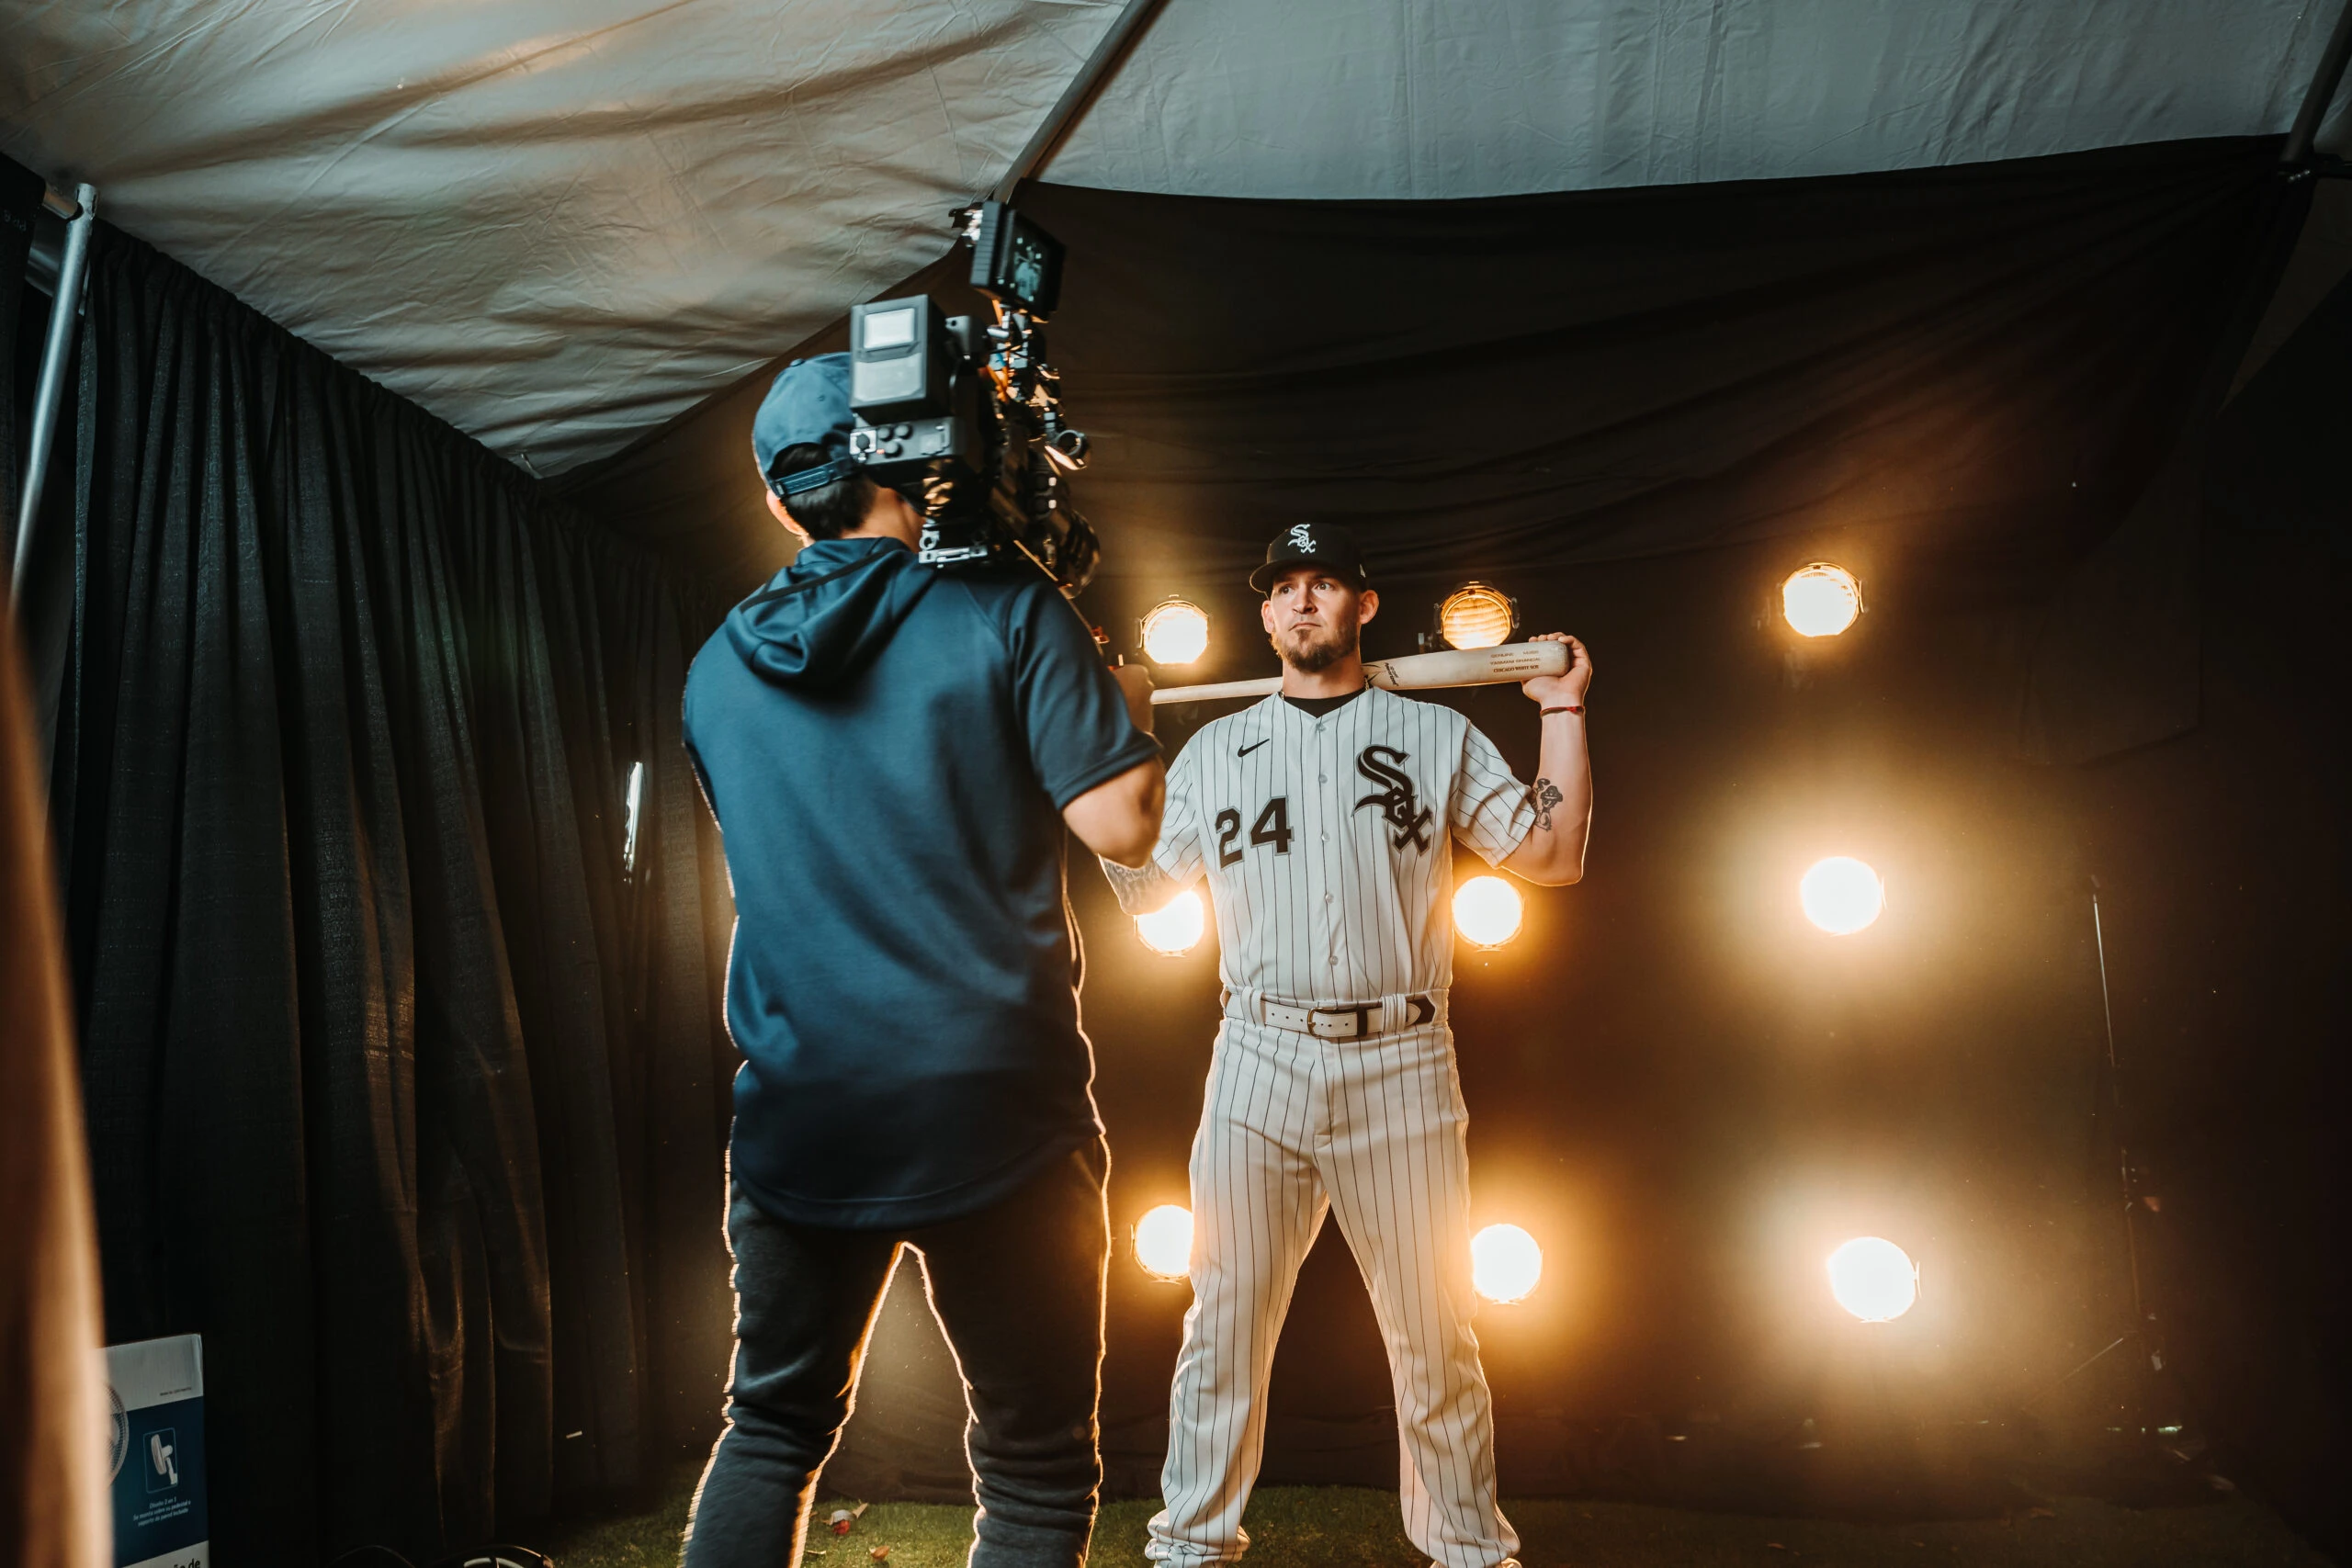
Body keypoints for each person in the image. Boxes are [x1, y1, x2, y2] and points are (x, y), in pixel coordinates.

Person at [681, 353, 1166, 1568]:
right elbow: (1125, 824)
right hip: (992, 1106)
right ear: (914, 457)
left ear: (786, 500)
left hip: (802, 1105)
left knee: (773, 1425)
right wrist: (1125, 702)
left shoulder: (713, 666)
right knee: (1036, 1466)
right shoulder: (1008, 606)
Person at [1101, 522, 1592, 1568]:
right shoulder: (1211, 749)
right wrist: (1121, 745)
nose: (1302, 603)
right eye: (1283, 588)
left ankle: (1466, 1549)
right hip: (1255, 1055)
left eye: (1324, 584)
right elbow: (1142, 885)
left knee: (1435, 1335)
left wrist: (1559, 710)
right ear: (1265, 614)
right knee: (1222, 1325)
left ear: (1363, 606)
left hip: (1402, 1059)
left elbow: (1551, 856)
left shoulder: (1437, 738)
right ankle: (1188, 1546)